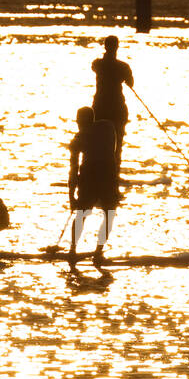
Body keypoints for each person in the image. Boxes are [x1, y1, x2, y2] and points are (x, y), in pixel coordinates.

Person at [69, 106, 120, 269]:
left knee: (82, 214)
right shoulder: (108, 127)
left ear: (81, 122)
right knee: (109, 214)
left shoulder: (79, 139)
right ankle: (98, 252)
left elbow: (73, 168)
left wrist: (71, 196)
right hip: (108, 176)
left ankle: (73, 250)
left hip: (91, 177)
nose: (77, 124)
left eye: (78, 121)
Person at [91, 35, 133, 158]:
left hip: (100, 107)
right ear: (117, 47)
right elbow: (130, 83)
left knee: (98, 143)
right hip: (117, 108)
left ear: (105, 46)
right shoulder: (123, 67)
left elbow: (96, 67)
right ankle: (114, 172)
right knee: (117, 144)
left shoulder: (97, 64)